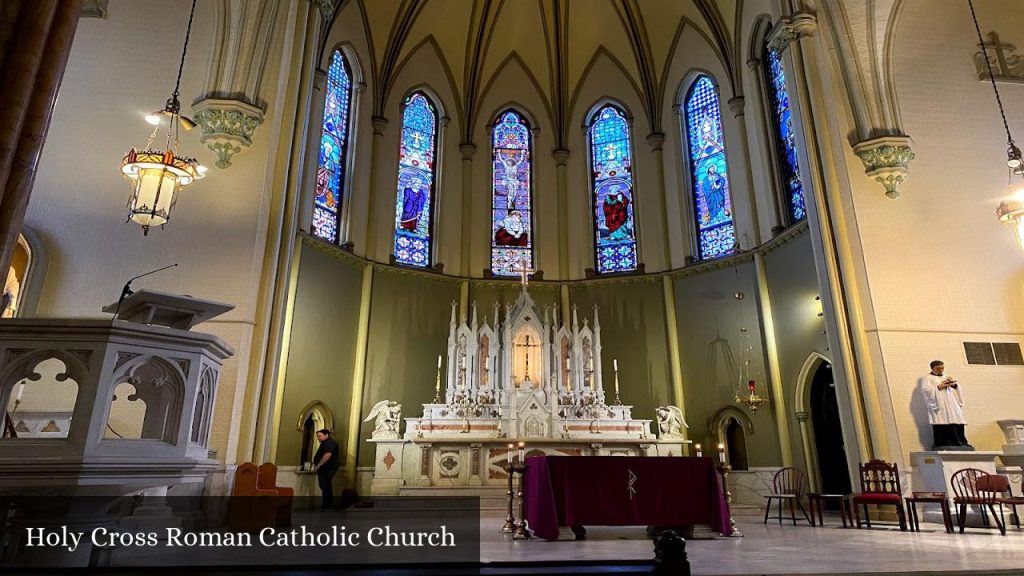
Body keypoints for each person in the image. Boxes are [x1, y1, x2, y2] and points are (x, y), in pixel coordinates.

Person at [918, 360, 973, 450]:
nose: (941, 370)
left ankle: (960, 441)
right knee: (942, 420)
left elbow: (957, 387)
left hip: (951, 402)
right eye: (938, 368)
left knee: (956, 418)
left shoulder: (946, 376)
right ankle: (943, 443)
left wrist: (954, 385)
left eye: (942, 368)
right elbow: (925, 390)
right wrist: (939, 387)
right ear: (932, 368)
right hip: (939, 404)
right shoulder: (927, 378)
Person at [312, 428, 341, 510]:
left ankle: (327, 506)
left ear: (326, 435)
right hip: (324, 468)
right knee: (324, 486)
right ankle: (326, 505)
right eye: (317, 436)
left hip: (328, 468)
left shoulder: (330, 443)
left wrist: (319, 465)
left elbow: (327, 454)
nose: (318, 438)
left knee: (325, 485)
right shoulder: (324, 443)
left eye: (320, 436)